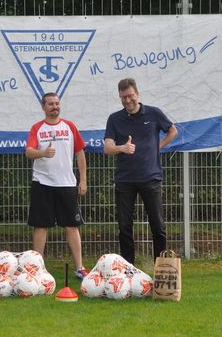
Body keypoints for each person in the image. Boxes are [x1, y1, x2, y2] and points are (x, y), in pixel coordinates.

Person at [104, 78, 178, 265]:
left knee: (158, 225)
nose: (127, 101)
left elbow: (172, 131)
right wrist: (122, 148)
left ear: (137, 93)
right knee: (124, 226)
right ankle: (128, 268)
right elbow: (107, 147)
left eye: (130, 96)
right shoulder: (114, 118)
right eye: (123, 98)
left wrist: (157, 146)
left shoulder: (153, 113)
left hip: (150, 178)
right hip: (125, 180)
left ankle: (161, 266)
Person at [25, 92, 89, 280]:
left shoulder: (69, 126)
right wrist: (42, 152)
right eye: (51, 104)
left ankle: (80, 267)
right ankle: (37, 269)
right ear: (43, 107)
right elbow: (28, 152)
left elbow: (80, 154)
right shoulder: (37, 128)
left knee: (72, 226)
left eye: (57, 103)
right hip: (42, 183)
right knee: (40, 226)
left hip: (67, 184)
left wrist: (83, 180)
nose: (55, 107)